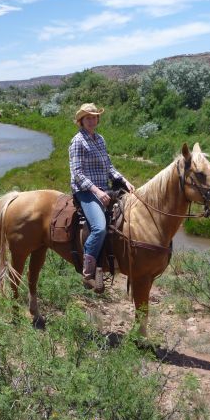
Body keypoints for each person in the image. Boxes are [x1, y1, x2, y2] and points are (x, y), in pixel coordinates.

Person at [69, 103, 133, 293]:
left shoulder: (100, 139)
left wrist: (124, 181)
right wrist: (97, 192)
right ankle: (88, 273)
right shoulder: (77, 141)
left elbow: (109, 167)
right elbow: (78, 173)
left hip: (104, 189)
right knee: (99, 228)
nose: (91, 120)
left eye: (94, 117)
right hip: (85, 191)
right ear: (81, 121)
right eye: (88, 117)